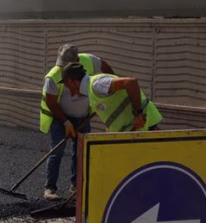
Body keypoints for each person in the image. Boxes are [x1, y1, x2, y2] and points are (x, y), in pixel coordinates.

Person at [40, 45, 115, 199]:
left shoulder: (89, 61)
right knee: (57, 151)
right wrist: (66, 122)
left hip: (83, 116)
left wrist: (111, 87)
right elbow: (51, 102)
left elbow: (106, 68)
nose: (62, 66)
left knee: (81, 153)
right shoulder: (53, 76)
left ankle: (76, 188)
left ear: (76, 60)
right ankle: (50, 188)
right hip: (61, 117)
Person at [60, 62, 163, 134]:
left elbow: (131, 82)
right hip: (134, 132)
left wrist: (139, 113)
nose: (71, 94)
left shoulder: (97, 85)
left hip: (145, 126)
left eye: (68, 87)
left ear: (71, 82)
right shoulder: (92, 91)